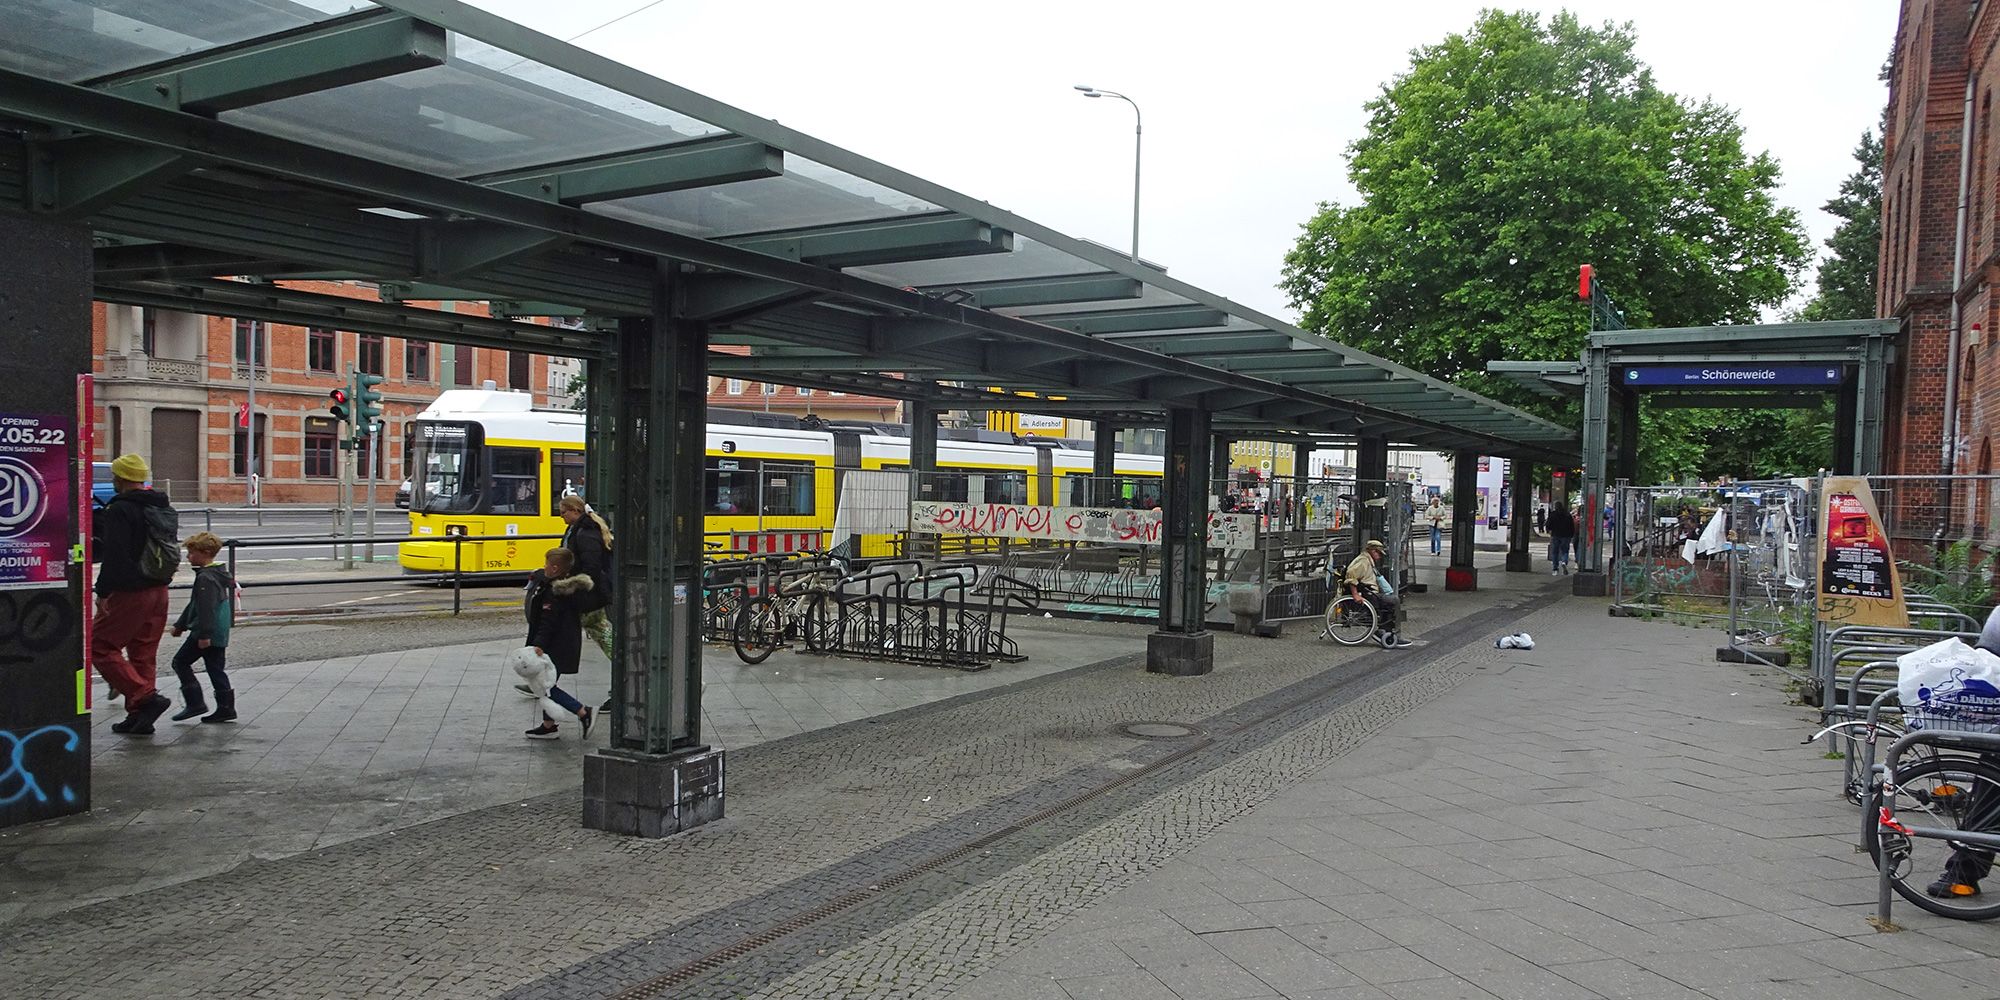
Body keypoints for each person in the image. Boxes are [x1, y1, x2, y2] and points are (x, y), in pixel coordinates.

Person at [92, 453, 176, 734]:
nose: (113, 481)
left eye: (115, 476)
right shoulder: (161, 506)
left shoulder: (120, 509)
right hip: (159, 588)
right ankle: (140, 718)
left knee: (100, 646)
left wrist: (103, 592)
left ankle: (146, 698)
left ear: (121, 478)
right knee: (142, 653)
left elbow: (114, 555)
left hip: (130, 591)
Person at [523, 547, 595, 740]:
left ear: (554, 568)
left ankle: (582, 711)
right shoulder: (562, 587)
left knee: (545, 686)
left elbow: (548, 622)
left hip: (555, 645)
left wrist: (538, 645)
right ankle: (548, 725)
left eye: (546, 563)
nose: (544, 567)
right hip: (564, 642)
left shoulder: (554, 592)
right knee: (547, 683)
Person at [167, 531, 236, 723]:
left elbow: (205, 608)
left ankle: (195, 703)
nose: (188, 557)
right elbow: (196, 604)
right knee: (215, 669)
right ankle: (226, 707)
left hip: (206, 632)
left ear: (205, 553)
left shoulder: (206, 578)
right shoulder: (216, 574)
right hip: (217, 631)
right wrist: (180, 625)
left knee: (180, 662)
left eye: (191, 553)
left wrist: (204, 634)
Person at [1342, 539, 1413, 649]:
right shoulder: (1363, 561)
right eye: (1379, 553)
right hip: (1368, 594)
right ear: (1373, 551)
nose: (1380, 556)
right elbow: (1351, 574)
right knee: (1394, 601)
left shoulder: (1367, 560)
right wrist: (1355, 594)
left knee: (1390, 602)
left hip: (1370, 592)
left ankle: (1384, 631)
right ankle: (1392, 633)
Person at [1547, 503, 1577, 575]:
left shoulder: (1553, 514)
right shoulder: (1567, 515)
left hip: (1556, 535)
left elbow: (1548, 524)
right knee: (1565, 551)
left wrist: (1549, 530)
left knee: (1555, 552)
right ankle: (1564, 561)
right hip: (1566, 536)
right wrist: (1571, 535)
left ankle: (1555, 569)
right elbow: (1572, 526)